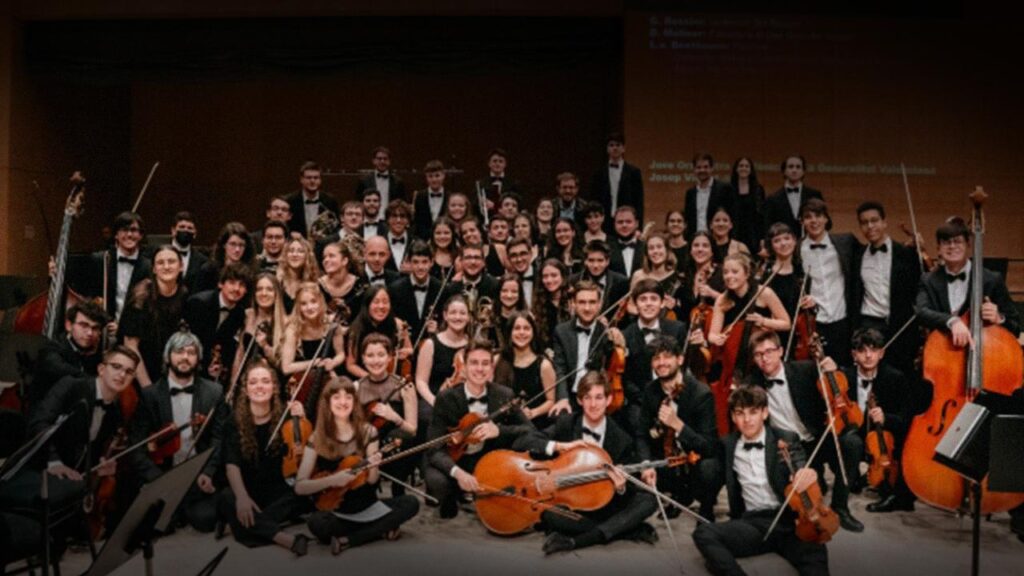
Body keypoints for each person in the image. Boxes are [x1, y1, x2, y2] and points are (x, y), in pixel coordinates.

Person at [3, 347, 141, 541]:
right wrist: (54, 462)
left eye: (128, 371)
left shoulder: (116, 410)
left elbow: (88, 447)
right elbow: (39, 424)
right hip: (35, 467)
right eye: (116, 367)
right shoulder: (71, 386)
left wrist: (100, 465)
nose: (121, 374)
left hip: (72, 474)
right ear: (102, 369)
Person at [692, 385, 830, 576]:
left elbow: (801, 465)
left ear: (765, 413)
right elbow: (706, 457)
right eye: (740, 413)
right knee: (704, 534)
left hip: (790, 522)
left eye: (753, 412)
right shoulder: (728, 444)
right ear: (733, 417)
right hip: (753, 524)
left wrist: (808, 474)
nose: (747, 420)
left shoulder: (785, 438)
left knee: (815, 553)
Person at [743, 330, 863, 533]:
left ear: (781, 351)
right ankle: (816, 484)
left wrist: (833, 369)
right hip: (789, 448)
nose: (765, 358)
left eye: (769, 351)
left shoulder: (805, 369)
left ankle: (840, 507)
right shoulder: (751, 384)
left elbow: (837, 386)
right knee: (797, 497)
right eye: (758, 354)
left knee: (852, 444)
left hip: (817, 436)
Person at [528, 371, 659, 554]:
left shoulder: (621, 439)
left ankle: (578, 540)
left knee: (649, 500)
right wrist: (559, 445)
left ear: (608, 399)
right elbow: (526, 441)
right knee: (549, 514)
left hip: (603, 505)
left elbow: (626, 493)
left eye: (599, 397)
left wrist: (620, 488)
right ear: (580, 400)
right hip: (570, 502)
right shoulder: (567, 423)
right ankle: (622, 529)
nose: (593, 404)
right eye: (587, 398)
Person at [295, 376, 420, 553]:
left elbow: (371, 482)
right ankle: (379, 529)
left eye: (348, 397)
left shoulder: (368, 431)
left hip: (367, 505)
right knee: (316, 524)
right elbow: (300, 486)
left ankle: (351, 539)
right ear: (328, 402)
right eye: (336, 397)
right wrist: (332, 481)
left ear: (354, 401)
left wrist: (374, 465)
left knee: (411, 503)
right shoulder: (317, 437)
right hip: (338, 511)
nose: (343, 402)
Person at [424, 339, 536, 519]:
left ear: (492, 368)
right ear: (464, 367)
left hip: (485, 460)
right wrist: (458, 474)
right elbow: (433, 447)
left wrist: (499, 431)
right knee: (438, 483)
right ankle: (454, 494)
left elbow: (530, 432)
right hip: (453, 459)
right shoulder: (446, 398)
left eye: (485, 363)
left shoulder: (504, 395)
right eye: (474, 363)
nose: (479, 369)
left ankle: (476, 493)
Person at [129, 331, 224, 532]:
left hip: (196, 473)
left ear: (198, 358)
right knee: (157, 526)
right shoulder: (150, 395)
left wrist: (208, 472)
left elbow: (218, 437)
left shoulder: (213, 392)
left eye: (191, 352)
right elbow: (136, 445)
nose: (185, 357)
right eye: (179, 351)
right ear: (167, 356)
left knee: (205, 520)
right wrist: (157, 479)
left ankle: (184, 506)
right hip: (164, 473)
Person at [217, 359, 312, 554]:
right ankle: (282, 538)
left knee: (303, 494)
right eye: (253, 382)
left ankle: (242, 525)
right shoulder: (233, 421)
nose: (259, 386)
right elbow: (231, 465)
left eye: (265, 381)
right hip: (249, 488)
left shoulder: (287, 415)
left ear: (274, 387)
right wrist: (242, 497)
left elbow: (305, 451)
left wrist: (302, 421)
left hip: (277, 489)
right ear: (245, 389)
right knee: (227, 496)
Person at [636, 336, 720, 521]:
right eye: (656, 358)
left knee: (710, 468)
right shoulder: (651, 390)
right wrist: (645, 465)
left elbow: (710, 446)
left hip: (694, 461)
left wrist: (678, 425)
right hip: (668, 459)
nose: (661, 363)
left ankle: (706, 509)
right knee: (633, 467)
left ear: (680, 359)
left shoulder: (701, 394)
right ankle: (679, 496)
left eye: (667, 357)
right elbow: (641, 434)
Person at [840, 328, 914, 513]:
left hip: (882, 440)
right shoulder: (843, 377)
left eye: (873, 350)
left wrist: (886, 418)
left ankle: (895, 493)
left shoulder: (895, 378)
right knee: (848, 440)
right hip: (854, 432)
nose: (868, 355)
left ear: (881, 353)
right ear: (854, 354)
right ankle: (850, 480)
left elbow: (905, 419)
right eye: (862, 350)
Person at [915, 217, 1020, 344]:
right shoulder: (928, 280)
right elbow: (921, 312)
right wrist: (952, 321)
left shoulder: (991, 279)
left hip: (986, 351)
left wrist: (999, 318)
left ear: (968, 245)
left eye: (958, 241)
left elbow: (1016, 326)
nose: (952, 246)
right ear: (938, 249)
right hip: (942, 350)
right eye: (946, 242)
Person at [854, 201, 922, 375]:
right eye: (864, 222)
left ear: (884, 222)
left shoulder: (907, 254)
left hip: (900, 326)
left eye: (874, 220)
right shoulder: (857, 255)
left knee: (901, 376)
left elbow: (919, 290)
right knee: (871, 376)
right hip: (870, 324)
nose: (870, 226)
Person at [620, 280, 690, 436]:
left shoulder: (677, 328)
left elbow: (683, 367)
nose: (648, 304)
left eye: (653, 299)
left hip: (674, 395)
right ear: (635, 304)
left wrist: (670, 396)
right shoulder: (625, 335)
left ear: (662, 302)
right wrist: (649, 399)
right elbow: (626, 379)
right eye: (643, 299)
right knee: (638, 426)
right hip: (640, 400)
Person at [799, 198, 860, 367]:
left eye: (818, 215)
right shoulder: (797, 250)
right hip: (815, 323)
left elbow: (869, 256)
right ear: (802, 222)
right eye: (808, 217)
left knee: (844, 371)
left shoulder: (846, 242)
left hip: (843, 321)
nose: (814, 221)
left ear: (826, 218)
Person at [355, 333, 418, 495]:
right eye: (370, 355)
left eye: (381, 355)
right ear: (363, 358)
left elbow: (412, 430)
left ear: (390, 357)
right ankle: (369, 489)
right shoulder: (356, 387)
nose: (376, 361)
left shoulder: (404, 386)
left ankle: (398, 490)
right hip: (367, 446)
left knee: (403, 437)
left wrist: (395, 418)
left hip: (394, 447)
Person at [119, 245, 189, 388]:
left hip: (171, 370)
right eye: (160, 263)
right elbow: (131, 346)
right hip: (140, 371)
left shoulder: (184, 294)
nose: (166, 266)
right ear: (154, 269)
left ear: (181, 266)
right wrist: (148, 388)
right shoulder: (141, 296)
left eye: (171, 261)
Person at [68, 211, 151, 321]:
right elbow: (81, 290)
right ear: (116, 235)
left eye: (134, 230)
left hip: (133, 330)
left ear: (140, 235)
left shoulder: (149, 266)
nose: (129, 234)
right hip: (103, 328)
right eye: (124, 230)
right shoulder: (100, 260)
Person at [280, 282, 346, 417]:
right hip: (305, 381)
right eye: (303, 304)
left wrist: (333, 363)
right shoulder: (293, 329)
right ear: (298, 307)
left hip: (329, 375)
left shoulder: (332, 324)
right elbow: (286, 367)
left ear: (321, 301)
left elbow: (341, 354)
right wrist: (314, 363)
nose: (309, 307)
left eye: (313, 301)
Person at [551, 280, 613, 415]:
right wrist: (563, 398)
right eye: (582, 302)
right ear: (573, 304)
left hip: (595, 397)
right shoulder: (561, 331)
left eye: (592, 302)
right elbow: (559, 369)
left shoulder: (606, 333)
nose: (587, 308)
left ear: (599, 305)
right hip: (571, 396)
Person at [183, 262, 250, 382]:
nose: (236, 289)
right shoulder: (198, 303)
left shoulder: (239, 314)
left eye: (242, 285)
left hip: (214, 373)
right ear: (220, 284)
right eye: (232, 283)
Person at [32, 300, 107, 406]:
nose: (90, 333)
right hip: (46, 415)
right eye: (84, 325)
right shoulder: (51, 347)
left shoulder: (95, 352)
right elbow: (60, 370)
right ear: (69, 325)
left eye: (95, 328)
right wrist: (97, 383)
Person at [414, 295, 471, 431]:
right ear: (445, 315)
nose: (458, 317)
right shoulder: (430, 344)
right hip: (434, 398)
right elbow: (421, 381)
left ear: (468, 317)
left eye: (462, 313)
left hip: (463, 401)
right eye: (453, 313)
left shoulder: (472, 344)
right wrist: (435, 402)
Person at [492, 311, 556, 427]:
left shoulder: (544, 365)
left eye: (526, 328)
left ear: (533, 332)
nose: (522, 332)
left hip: (532, 427)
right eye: (517, 328)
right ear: (510, 332)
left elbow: (551, 401)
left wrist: (533, 412)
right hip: (501, 427)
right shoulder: (497, 359)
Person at [344, 285, 413, 381]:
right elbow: (351, 365)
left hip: (393, 380)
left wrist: (405, 352)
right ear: (367, 304)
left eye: (385, 302)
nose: (381, 306)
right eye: (376, 302)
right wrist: (373, 379)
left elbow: (410, 349)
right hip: (366, 381)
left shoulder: (398, 324)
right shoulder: (356, 330)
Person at [388, 240, 445, 351]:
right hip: (403, 349)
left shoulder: (442, 289)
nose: (420, 267)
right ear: (409, 263)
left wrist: (438, 329)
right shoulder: (395, 289)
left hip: (432, 349)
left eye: (424, 262)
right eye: (416, 262)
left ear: (432, 262)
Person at [231, 271, 287, 382]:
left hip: (274, 381)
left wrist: (265, 345)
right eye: (259, 289)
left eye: (269, 289)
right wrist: (233, 382)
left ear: (277, 293)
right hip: (246, 380)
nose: (264, 293)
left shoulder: (286, 322)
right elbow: (239, 355)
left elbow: (283, 364)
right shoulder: (248, 315)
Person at [592, 132, 645, 232]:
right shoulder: (598, 174)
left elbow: (639, 202)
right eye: (611, 145)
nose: (615, 148)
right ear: (607, 149)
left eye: (618, 145)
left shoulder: (634, 172)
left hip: (626, 222)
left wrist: (639, 227)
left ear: (623, 148)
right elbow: (594, 201)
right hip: (604, 222)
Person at [763, 155, 824, 239]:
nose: (794, 170)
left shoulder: (814, 195)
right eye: (791, 167)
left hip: (811, 243)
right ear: (784, 171)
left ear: (803, 171)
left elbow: (825, 222)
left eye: (798, 167)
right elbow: (768, 227)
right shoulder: (772, 199)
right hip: (783, 245)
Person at [194, 222, 258, 294]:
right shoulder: (208, 270)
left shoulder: (251, 272)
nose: (237, 249)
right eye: (233, 244)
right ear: (224, 245)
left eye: (241, 245)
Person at [685, 152, 736, 240]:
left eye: (705, 167)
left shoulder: (724, 189)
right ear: (694, 170)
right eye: (699, 167)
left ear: (711, 168)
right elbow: (689, 220)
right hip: (695, 239)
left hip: (718, 239)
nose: (702, 170)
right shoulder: (690, 193)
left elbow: (733, 216)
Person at [675, 231, 724, 322]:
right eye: (696, 245)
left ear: (712, 251)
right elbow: (685, 315)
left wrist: (713, 294)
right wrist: (674, 306)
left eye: (705, 246)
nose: (700, 249)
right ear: (690, 250)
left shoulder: (722, 273)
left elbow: (733, 304)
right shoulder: (685, 276)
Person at [574, 240, 630, 318]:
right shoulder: (574, 280)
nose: (595, 265)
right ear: (585, 261)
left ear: (607, 261)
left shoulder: (621, 282)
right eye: (591, 260)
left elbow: (624, 316)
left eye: (600, 260)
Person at [286, 160, 340, 238]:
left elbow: (337, 227)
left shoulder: (330, 201)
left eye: (316, 178)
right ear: (301, 179)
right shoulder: (290, 201)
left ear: (320, 180)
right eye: (308, 178)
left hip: (323, 246)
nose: (312, 181)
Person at [318, 240, 368, 320]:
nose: (326, 260)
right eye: (324, 257)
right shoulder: (317, 287)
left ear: (345, 261)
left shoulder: (360, 286)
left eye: (331, 256)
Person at [532, 259, 573, 352]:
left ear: (563, 277)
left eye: (554, 275)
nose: (549, 280)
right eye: (545, 276)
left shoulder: (572, 300)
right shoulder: (539, 303)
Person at [729, 157, 766, 255]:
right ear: (736, 169)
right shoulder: (729, 189)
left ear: (751, 170)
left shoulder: (758, 189)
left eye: (746, 166)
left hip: (753, 232)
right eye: (741, 166)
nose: (743, 168)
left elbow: (761, 215)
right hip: (735, 232)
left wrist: (762, 237)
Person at [168, 211, 210, 294]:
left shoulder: (203, 261)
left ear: (195, 234)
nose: (185, 230)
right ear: (173, 231)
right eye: (182, 227)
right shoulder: (157, 254)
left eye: (190, 228)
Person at [277, 237, 320, 314]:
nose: (295, 254)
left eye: (300, 251)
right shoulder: (277, 282)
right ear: (285, 255)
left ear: (307, 256)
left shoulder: (315, 284)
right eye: (291, 251)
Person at [413, 159, 449, 240]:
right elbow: (417, 221)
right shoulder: (420, 196)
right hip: (424, 240)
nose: (434, 180)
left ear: (443, 176)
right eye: (430, 176)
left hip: (445, 239)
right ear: (426, 177)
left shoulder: (450, 197)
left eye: (437, 175)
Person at [608, 206, 644, 278]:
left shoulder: (645, 247)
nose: (624, 225)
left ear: (636, 223)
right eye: (620, 222)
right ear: (614, 225)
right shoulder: (607, 247)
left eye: (628, 221)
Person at [506, 237, 538, 308]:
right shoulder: (505, 282)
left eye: (523, 254)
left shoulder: (543, 277)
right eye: (514, 255)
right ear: (508, 258)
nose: (519, 259)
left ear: (531, 254)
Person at [383, 199, 414, 273]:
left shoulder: (416, 242)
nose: (398, 220)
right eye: (394, 216)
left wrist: (414, 269)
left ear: (408, 220)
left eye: (402, 216)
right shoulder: (380, 242)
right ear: (388, 219)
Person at [428, 216, 458, 281]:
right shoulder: (426, 254)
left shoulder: (459, 255)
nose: (442, 236)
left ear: (452, 234)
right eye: (438, 233)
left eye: (446, 233)